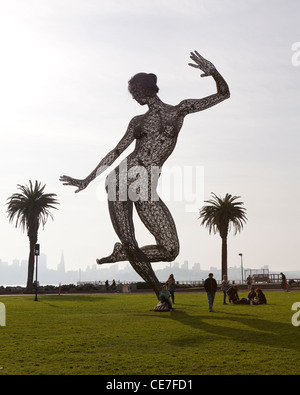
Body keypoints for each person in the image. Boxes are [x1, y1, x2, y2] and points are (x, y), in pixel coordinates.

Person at [60, 51, 230, 300]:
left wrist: (213, 71)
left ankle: (123, 253)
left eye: (135, 92)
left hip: (146, 186)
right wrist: (87, 179)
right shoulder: (137, 121)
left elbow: (223, 95)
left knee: (171, 249)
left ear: (145, 89)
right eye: (132, 94)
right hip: (120, 182)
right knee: (130, 241)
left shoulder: (179, 110)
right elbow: (116, 151)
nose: (134, 97)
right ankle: (161, 295)